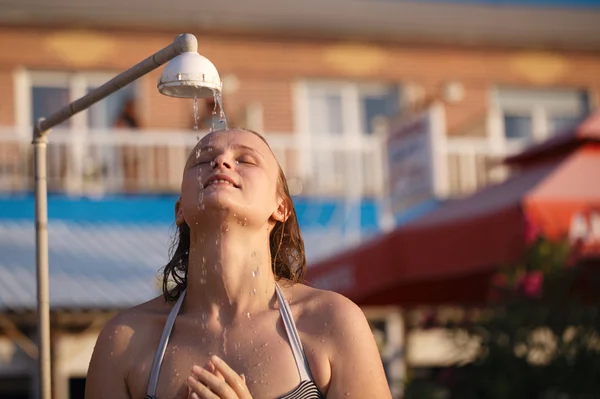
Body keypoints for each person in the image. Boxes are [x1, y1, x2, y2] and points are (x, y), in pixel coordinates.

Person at [85, 128, 392, 399]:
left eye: (245, 159)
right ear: (180, 210)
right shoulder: (125, 339)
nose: (221, 162)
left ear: (281, 207)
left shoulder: (331, 322)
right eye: (203, 161)